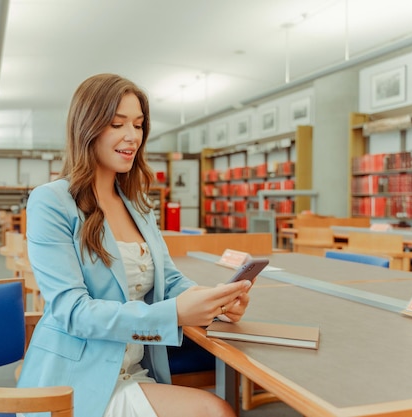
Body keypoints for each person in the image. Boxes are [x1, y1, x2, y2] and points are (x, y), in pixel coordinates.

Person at [16, 73, 252, 417]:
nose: (133, 137)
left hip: (134, 369)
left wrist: (213, 299)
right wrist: (175, 314)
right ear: (88, 127)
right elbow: (74, 312)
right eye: (117, 124)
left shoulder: (137, 203)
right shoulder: (51, 201)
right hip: (78, 379)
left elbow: (168, 281)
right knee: (214, 411)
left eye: (139, 126)